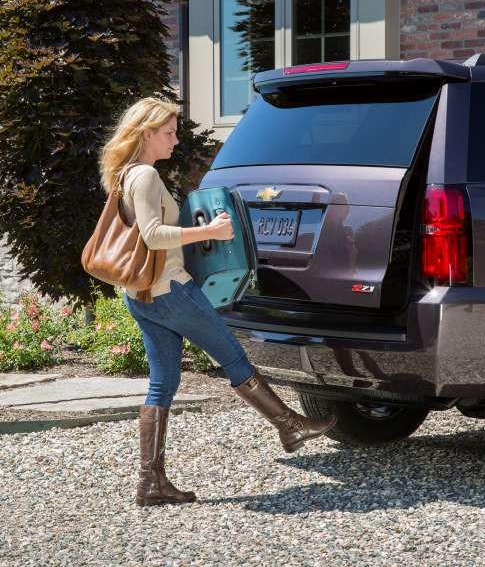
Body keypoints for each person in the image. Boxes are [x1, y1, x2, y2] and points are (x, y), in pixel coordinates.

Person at [98, 97, 338, 507]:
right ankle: (290, 426)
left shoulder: (124, 175)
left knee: (163, 382)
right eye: (169, 132)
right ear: (147, 133)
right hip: (171, 291)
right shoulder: (145, 176)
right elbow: (153, 236)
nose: (175, 140)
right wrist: (209, 231)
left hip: (143, 295)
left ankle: (151, 482)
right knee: (232, 357)